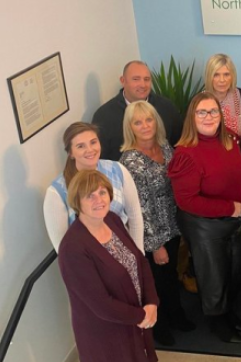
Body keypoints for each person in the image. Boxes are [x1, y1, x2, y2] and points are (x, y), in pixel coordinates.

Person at [168, 92, 241, 344]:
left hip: (234, 219)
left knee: (235, 271)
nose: (208, 117)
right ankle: (217, 322)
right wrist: (229, 208)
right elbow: (187, 201)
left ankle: (227, 312)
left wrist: (236, 210)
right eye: (201, 112)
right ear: (192, 117)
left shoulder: (230, 140)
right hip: (205, 224)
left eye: (213, 111)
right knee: (214, 277)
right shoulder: (186, 153)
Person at [57, 170, 159, 362]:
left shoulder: (112, 219)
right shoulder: (73, 249)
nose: (99, 200)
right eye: (90, 196)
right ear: (77, 202)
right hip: (106, 335)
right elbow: (101, 304)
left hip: (136, 321)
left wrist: (152, 302)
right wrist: (141, 315)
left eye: (102, 192)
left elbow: (140, 261)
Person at [119, 102, 194, 345]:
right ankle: (159, 326)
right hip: (153, 235)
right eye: (138, 122)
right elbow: (138, 208)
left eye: (148, 120)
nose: (144, 126)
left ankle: (177, 316)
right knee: (157, 282)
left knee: (171, 276)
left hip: (173, 226)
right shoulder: (129, 161)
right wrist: (155, 245)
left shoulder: (166, 148)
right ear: (130, 127)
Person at [43, 122, 143, 253]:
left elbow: (134, 215)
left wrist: (139, 254)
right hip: (90, 261)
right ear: (71, 153)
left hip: (126, 252)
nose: (90, 150)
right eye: (80, 146)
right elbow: (63, 249)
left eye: (93, 142)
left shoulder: (117, 170)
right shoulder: (57, 192)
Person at [92, 61, 183, 161]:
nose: (142, 85)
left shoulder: (167, 107)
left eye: (146, 79)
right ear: (123, 81)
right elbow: (101, 159)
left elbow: (179, 143)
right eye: (136, 79)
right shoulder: (104, 116)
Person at [203, 53, 241, 153]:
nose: (222, 80)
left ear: (232, 76)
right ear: (209, 77)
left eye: (226, 74)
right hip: (209, 156)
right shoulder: (199, 101)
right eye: (216, 75)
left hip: (240, 154)